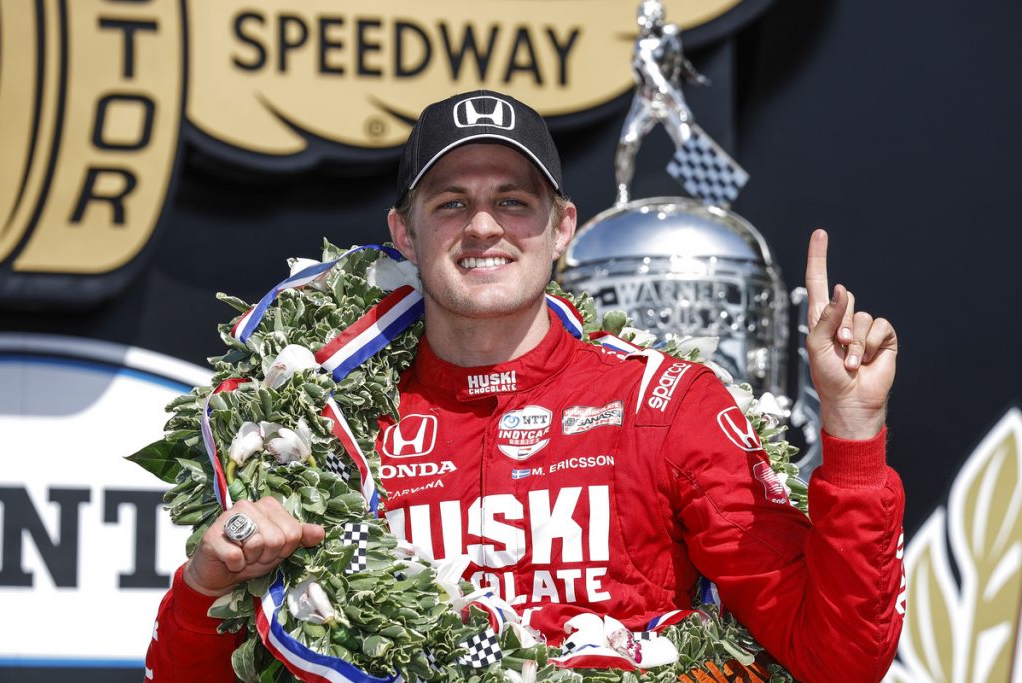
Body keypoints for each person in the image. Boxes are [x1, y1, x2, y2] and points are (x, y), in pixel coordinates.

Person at [145, 90, 904, 682]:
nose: (484, 226)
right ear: (403, 232)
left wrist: (853, 435)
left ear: (562, 227)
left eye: (514, 200)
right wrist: (211, 583)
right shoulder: (321, 433)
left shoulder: (667, 405)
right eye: (450, 202)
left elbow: (838, 659)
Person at [615, 0, 711, 205]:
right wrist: (681, 106)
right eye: (641, 15)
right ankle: (622, 193)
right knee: (627, 142)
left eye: (647, 15)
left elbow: (677, 59)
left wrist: (692, 75)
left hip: (669, 101)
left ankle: (705, 194)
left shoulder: (670, 35)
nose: (642, 21)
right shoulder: (642, 47)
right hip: (648, 101)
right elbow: (657, 80)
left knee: (687, 143)